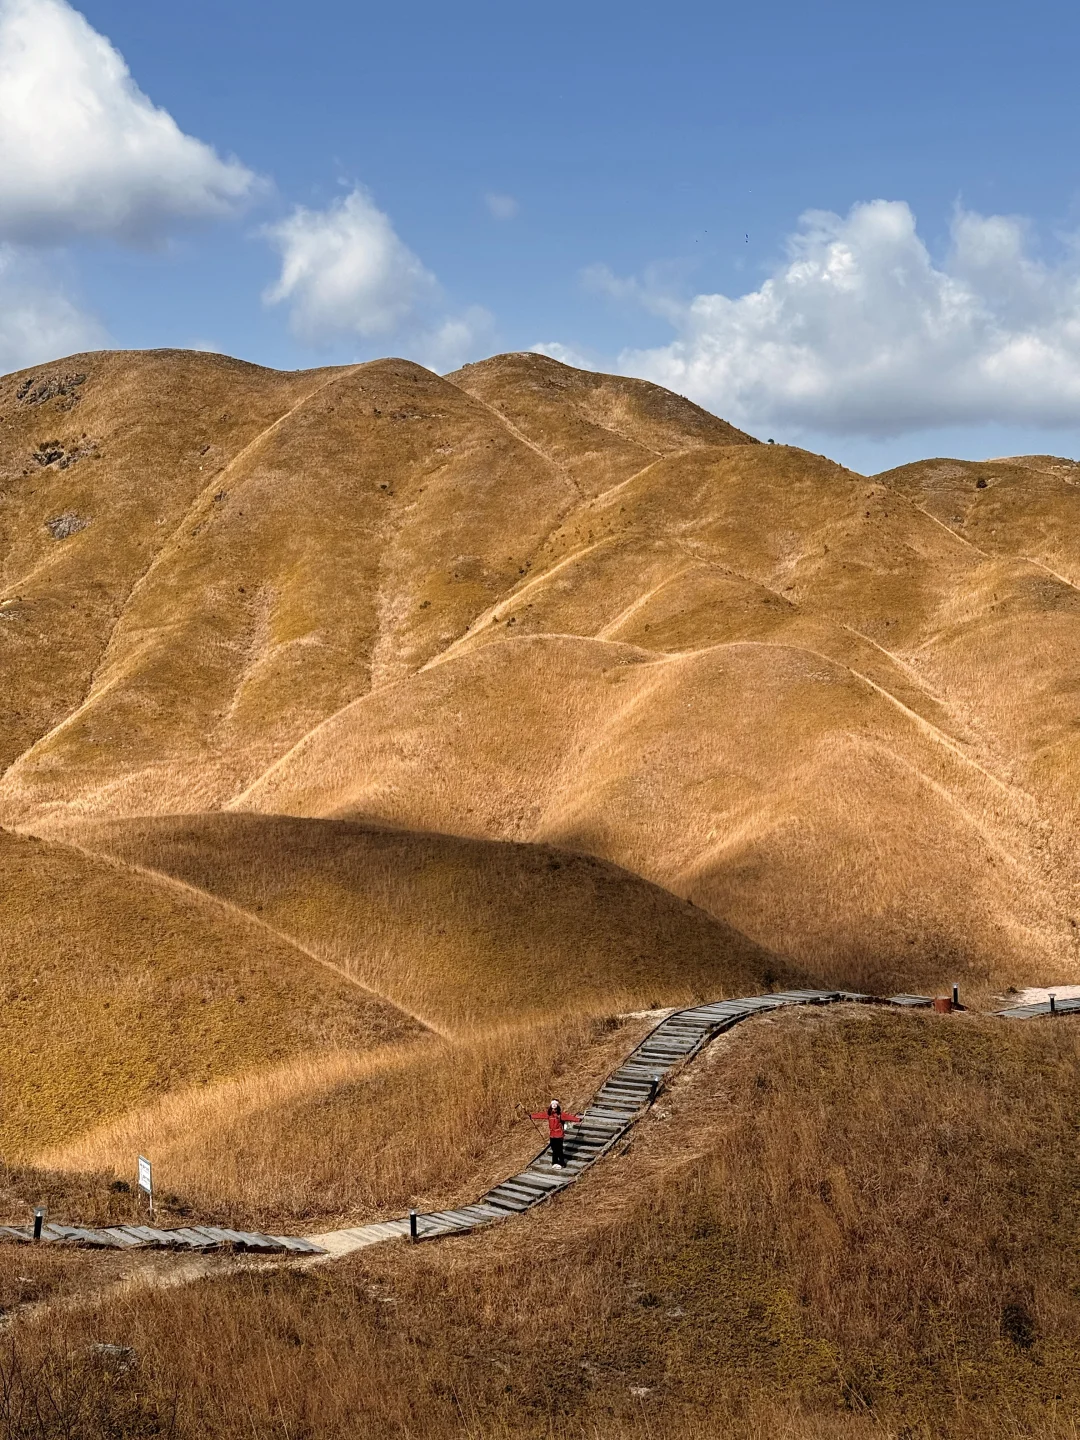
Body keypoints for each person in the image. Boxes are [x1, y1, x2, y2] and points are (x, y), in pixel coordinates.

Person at [530, 1100, 582, 1169]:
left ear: (557, 1106)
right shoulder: (549, 1114)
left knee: (559, 1149)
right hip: (552, 1135)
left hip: (559, 1135)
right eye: (553, 1104)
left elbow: (569, 1117)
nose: (554, 1105)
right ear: (551, 1106)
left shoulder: (560, 1114)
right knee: (554, 1149)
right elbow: (540, 1115)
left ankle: (562, 1163)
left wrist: (578, 1120)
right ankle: (554, 1163)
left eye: (555, 1104)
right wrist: (532, 1116)